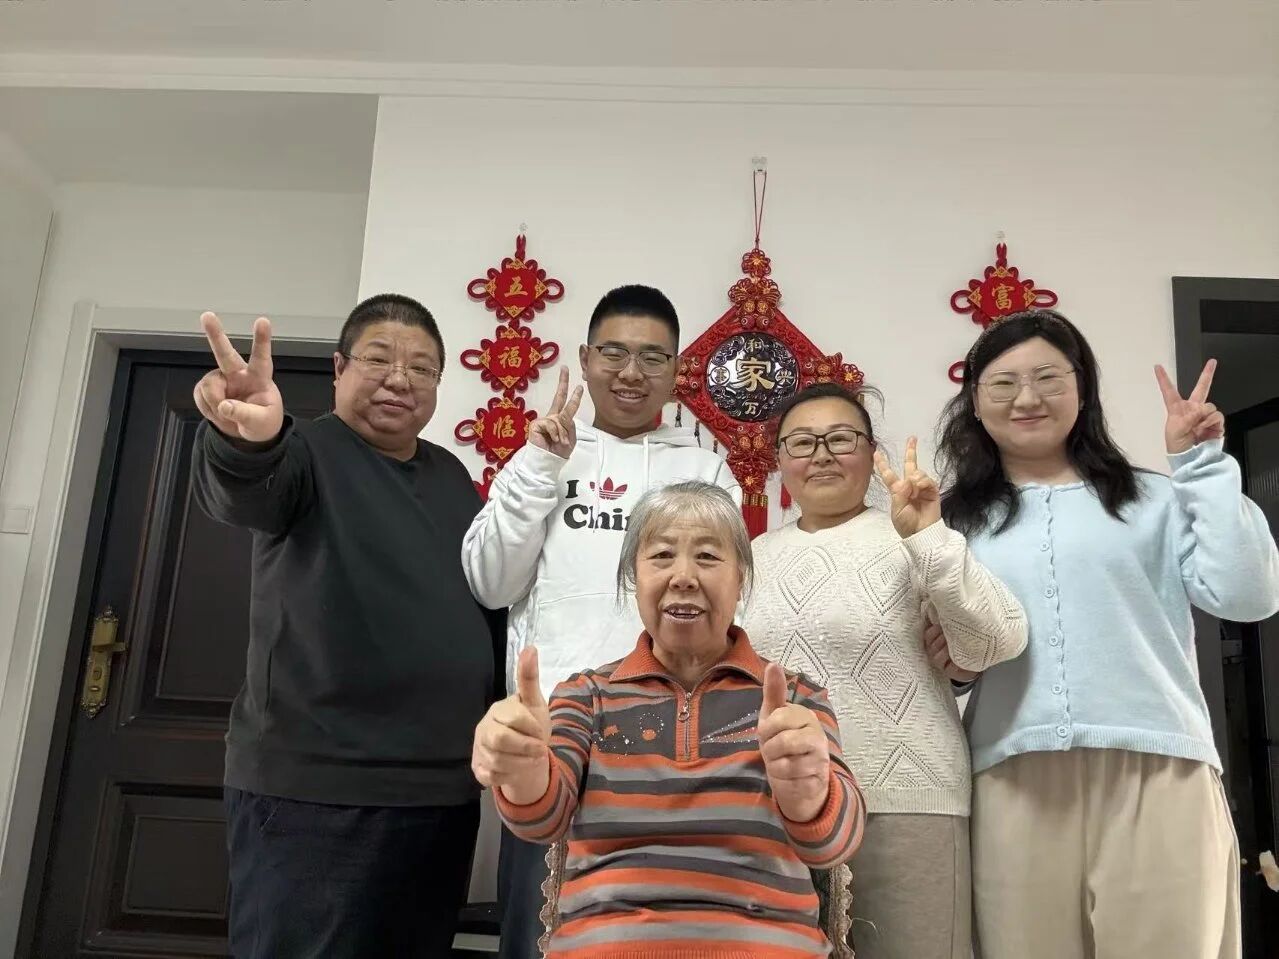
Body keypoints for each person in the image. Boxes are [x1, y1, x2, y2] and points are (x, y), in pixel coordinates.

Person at [935, 308, 1279, 959]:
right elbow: (944, 660)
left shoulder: (1154, 500)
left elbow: (1247, 594)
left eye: (1048, 378)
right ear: (974, 401)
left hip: (1159, 768)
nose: (1027, 398)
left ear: (1083, 389)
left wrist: (1200, 463)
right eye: (1003, 383)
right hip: (1011, 776)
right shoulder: (950, 524)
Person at [191, 294, 505, 958]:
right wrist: (245, 439)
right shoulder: (303, 452)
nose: (400, 379)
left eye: (421, 367)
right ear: (339, 368)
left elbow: (484, 601)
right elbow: (244, 486)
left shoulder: (451, 476)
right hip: (318, 793)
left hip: (440, 794)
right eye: (379, 359)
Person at [472, 481, 865, 958]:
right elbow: (541, 819)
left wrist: (807, 793)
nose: (683, 576)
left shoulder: (795, 698)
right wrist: (522, 770)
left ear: (741, 578)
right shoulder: (587, 695)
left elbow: (836, 842)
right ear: (632, 576)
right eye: (661, 556)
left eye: (707, 557)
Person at [462, 284, 739, 957]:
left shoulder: (703, 470)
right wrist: (539, 466)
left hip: (666, 747)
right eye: (613, 353)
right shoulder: (544, 453)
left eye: (652, 357)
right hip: (553, 739)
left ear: (676, 371)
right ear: (585, 359)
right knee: (539, 938)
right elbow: (490, 582)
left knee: (649, 936)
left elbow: (726, 600)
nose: (630, 372)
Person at [744, 382, 1027, 959]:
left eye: (840, 439)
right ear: (778, 460)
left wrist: (929, 535)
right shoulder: (750, 557)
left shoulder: (913, 536)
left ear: (873, 453)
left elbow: (996, 641)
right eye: (802, 442)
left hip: (905, 803)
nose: (821, 455)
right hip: (778, 804)